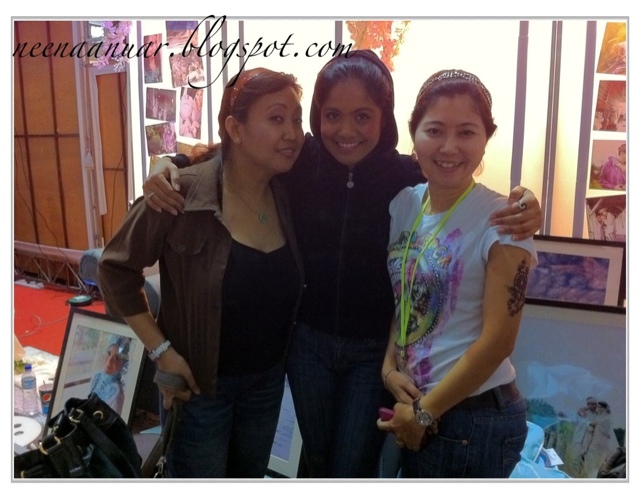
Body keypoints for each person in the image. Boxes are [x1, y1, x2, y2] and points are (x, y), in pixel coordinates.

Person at [143, 51, 542, 478]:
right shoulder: (298, 161)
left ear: (385, 118)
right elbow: (235, 156)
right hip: (307, 345)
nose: (346, 131)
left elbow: (460, 187)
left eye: (363, 116)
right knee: (317, 461)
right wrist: (171, 162)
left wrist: (526, 202)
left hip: (371, 352)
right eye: (332, 115)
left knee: (353, 467)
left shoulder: (407, 178)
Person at [98, 67, 305, 478]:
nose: (293, 133)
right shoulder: (182, 193)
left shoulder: (288, 192)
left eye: (297, 120)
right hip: (198, 389)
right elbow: (115, 269)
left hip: (265, 385)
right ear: (235, 128)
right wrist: (161, 352)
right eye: (277, 118)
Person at [377, 69, 537, 478]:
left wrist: (425, 413)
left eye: (466, 132)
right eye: (434, 130)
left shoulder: (503, 220)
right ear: (414, 136)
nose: (449, 147)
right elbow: (405, 297)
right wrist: (389, 367)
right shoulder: (404, 205)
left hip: (473, 418)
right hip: (420, 405)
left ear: (486, 139)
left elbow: (499, 341)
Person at [89, 339, 128, 414]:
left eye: (116, 358)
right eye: (109, 353)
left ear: (122, 363)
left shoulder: (116, 393)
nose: (109, 361)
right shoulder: (97, 377)